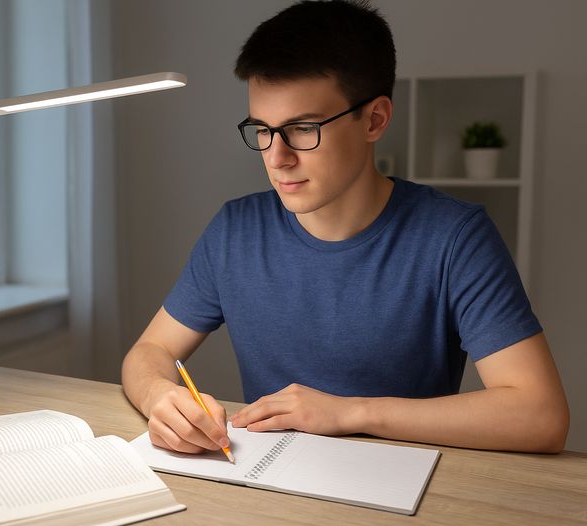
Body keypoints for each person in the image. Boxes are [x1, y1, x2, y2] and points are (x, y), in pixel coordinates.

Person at [121, 0, 569, 454]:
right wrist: (160, 396)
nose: (277, 158)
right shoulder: (235, 231)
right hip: (268, 486)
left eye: (303, 129)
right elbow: (148, 353)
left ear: (374, 119)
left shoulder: (454, 237)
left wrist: (350, 412)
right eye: (262, 130)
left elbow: (540, 415)